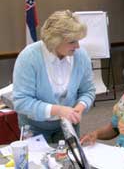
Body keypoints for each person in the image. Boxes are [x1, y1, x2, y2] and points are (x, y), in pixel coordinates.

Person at [13, 10, 96, 143]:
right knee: (38, 163)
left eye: (78, 41)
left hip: (68, 125)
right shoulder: (28, 57)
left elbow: (88, 91)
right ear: (55, 40)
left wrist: (80, 107)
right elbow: (21, 101)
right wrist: (58, 110)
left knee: (70, 161)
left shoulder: (81, 56)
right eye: (72, 41)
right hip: (34, 126)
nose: (78, 46)